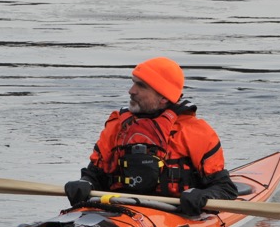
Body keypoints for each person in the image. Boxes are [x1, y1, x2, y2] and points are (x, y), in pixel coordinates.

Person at [64, 57, 238, 216]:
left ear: (163, 97)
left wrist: (203, 196)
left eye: (141, 86)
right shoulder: (117, 127)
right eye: (133, 83)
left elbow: (225, 189)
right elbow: (95, 175)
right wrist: (85, 183)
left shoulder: (195, 132)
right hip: (118, 212)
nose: (131, 91)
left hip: (174, 215)